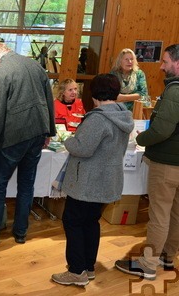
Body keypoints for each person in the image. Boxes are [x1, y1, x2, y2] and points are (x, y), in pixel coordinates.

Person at [0, 42, 55, 246]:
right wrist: (49, 130)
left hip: (13, 136)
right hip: (37, 133)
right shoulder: (35, 66)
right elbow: (48, 100)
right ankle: (21, 232)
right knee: (27, 184)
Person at [51, 74, 133, 286]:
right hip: (106, 179)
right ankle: (88, 267)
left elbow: (82, 148)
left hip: (88, 181)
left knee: (73, 221)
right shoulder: (122, 115)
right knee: (90, 222)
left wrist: (68, 139)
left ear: (93, 93)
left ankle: (77, 271)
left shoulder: (98, 118)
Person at [115, 44, 179, 281]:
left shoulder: (174, 91)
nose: (161, 67)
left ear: (177, 64)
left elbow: (161, 129)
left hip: (168, 164)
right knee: (176, 214)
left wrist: (140, 138)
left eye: (165, 62)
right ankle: (167, 256)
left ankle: (148, 264)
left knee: (160, 215)